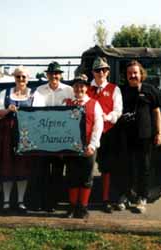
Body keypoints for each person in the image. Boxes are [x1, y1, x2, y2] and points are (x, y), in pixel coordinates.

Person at [120, 60, 161, 213]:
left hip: (145, 136)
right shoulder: (121, 91)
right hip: (126, 136)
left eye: (135, 73)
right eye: (130, 73)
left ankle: (142, 198)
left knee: (144, 167)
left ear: (141, 74)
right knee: (127, 167)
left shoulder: (150, 90)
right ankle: (125, 196)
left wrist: (159, 133)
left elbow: (157, 112)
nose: (133, 75)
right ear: (126, 75)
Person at [31, 61, 73, 212]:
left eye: (57, 73)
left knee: (57, 172)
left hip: (60, 138)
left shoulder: (69, 90)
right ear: (47, 75)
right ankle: (40, 202)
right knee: (41, 171)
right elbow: (35, 111)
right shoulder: (39, 90)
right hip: (43, 137)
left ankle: (53, 203)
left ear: (60, 75)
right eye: (51, 73)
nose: (54, 76)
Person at [0, 66, 33, 213]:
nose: (21, 79)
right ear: (14, 78)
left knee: (23, 168)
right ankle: (6, 201)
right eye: (18, 77)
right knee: (7, 168)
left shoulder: (34, 94)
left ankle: (21, 201)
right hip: (7, 133)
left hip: (26, 135)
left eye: (23, 77)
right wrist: (8, 110)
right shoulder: (5, 93)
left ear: (28, 78)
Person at [64, 74, 103, 219]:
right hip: (71, 147)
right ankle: (72, 207)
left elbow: (98, 126)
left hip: (88, 147)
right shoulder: (66, 103)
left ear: (86, 88)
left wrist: (92, 145)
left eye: (82, 85)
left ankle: (83, 207)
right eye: (76, 86)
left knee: (86, 177)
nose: (79, 88)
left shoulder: (94, 104)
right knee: (72, 176)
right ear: (73, 88)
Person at [87, 57, 122, 213]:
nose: (101, 73)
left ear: (108, 72)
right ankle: (83, 200)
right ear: (92, 72)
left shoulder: (114, 89)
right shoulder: (86, 89)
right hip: (89, 134)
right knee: (87, 166)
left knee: (107, 167)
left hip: (107, 133)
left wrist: (106, 117)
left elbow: (117, 111)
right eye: (97, 70)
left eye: (103, 70)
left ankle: (106, 199)